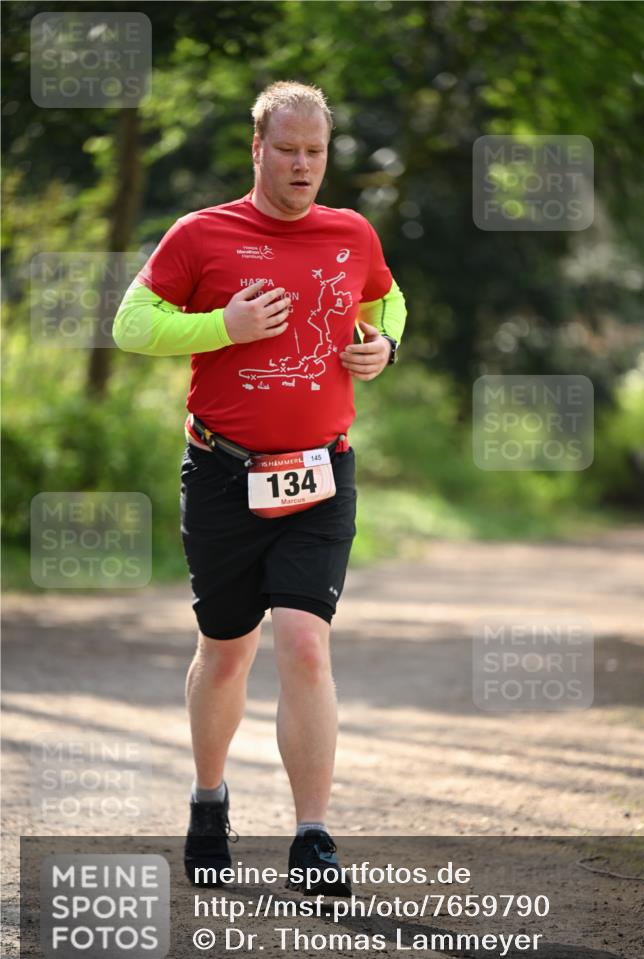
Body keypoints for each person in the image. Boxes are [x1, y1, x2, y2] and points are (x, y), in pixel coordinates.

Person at [113, 81, 407, 893]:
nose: (302, 165)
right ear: (257, 149)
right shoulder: (201, 234)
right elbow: (130, 326)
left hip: (321, 472)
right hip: (222, 473)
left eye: (315, 151)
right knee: (225, 651)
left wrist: (385, 346)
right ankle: (209, 801)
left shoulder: (350, 232)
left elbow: (387, 298)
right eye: (287, 150)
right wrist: (223, 327)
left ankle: (312, 837)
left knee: (305, 645)